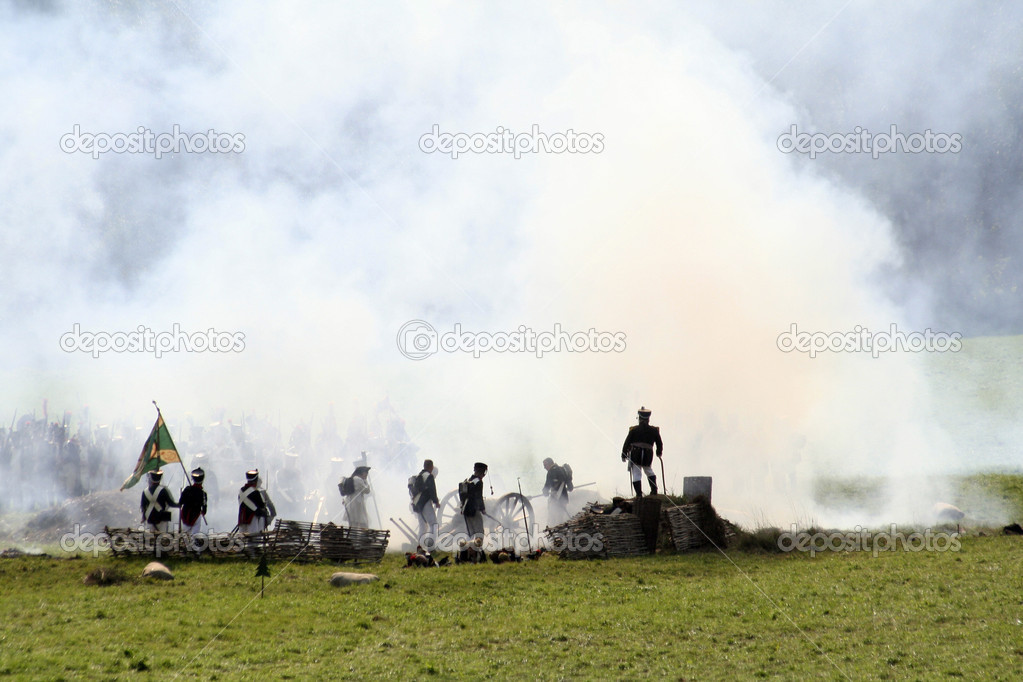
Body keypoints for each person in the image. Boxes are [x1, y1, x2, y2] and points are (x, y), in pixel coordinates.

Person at [621, 406, 663, 497]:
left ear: (639, 418)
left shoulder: (634, 430)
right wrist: (659, 452)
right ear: (648, 419)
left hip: (636, 454)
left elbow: (627, 442)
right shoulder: (654, 430)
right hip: (648, 454)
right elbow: (659, 442)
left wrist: (624, 454)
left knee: (636, 473)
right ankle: (654, 490)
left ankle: (639, 494)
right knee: (649, 471)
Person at [458, 462, 488, 564]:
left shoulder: (467, 481)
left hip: (466, 510)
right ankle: (477, 555)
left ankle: (465, 555)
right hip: (474, 510)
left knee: (470, 534)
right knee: (479, 533)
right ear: (483, 473)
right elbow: (479, 497)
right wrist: (482, 509)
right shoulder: (478, 482)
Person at [410, 459, 440, 550]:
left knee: (422, 526)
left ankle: (420, 547)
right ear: (431, 467)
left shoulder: (420, 475)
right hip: (426, 502)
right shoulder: (429, 476)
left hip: (418, 504)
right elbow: (432, 490)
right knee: (433, 524)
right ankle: (431, 547)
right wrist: (436, 501)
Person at [237, 469, 276, 534]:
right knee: (254, 539)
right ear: (256, 481)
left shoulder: (241, 491)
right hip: (253, 520)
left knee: (242, 538)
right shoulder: (256, 492)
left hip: (242, 519)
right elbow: (261, 507)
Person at [541, 457, 571, 525]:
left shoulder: (551, 472)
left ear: (549, 464)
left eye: (545, 465)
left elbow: (547, 486)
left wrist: (545, 491)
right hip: (563, 498)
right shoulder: (562, 469)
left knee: (553, 519)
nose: (544, 467)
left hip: (556, 499)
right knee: (560, 517)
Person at [179, 467, 208, 535]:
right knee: (194, 535)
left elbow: (180, 502)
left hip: (185, 515)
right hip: (196, 516)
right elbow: (204, 511)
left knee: (185, 535)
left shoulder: (187, 490)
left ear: (193, 479)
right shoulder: (203, 494)